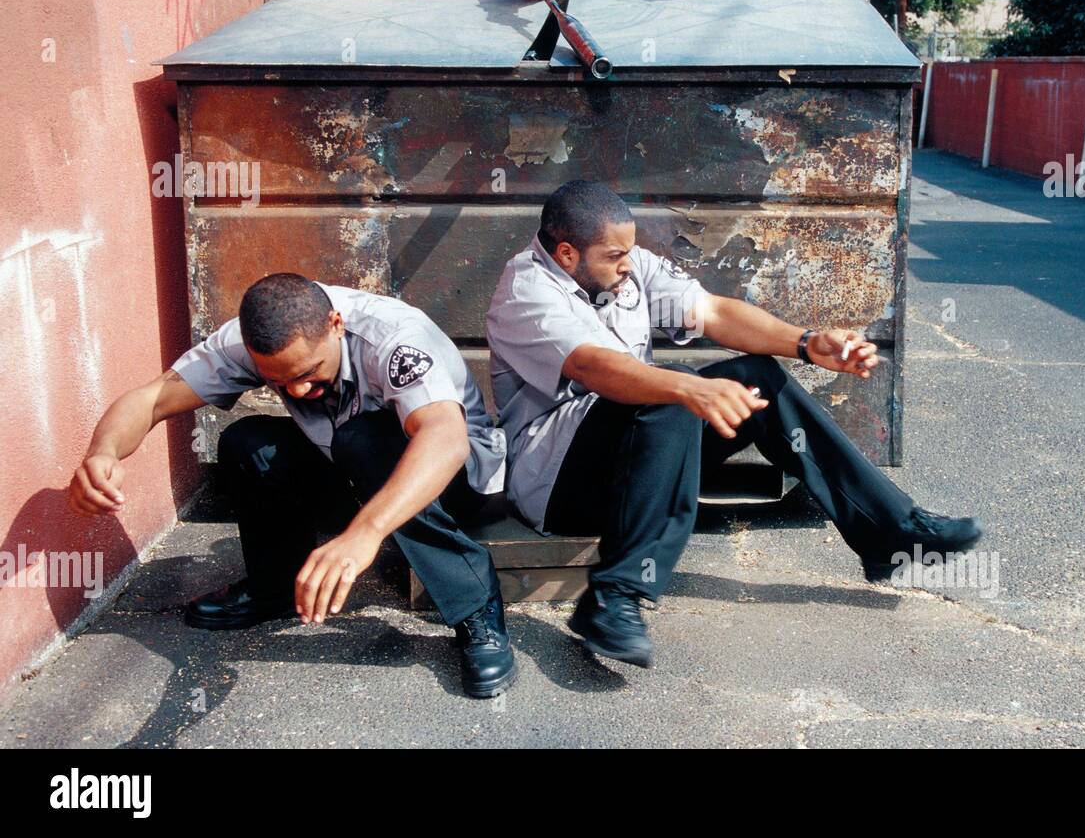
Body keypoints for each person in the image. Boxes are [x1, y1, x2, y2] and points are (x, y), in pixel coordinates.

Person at [487, 182, 984, 668]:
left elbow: (712, 312)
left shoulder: (623, 267)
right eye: (614, 255)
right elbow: (594, 366)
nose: (626, 265)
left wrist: (806, 342)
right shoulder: (528, 289)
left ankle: (890, 529)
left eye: (628, 252)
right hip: (560, 485)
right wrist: (686, 388)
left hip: (637, 457)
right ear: (568, 254)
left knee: (757, 376)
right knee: (671, 387)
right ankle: (614, 597)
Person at [67, 274, 517, 698]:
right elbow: (154, 397)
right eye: (279, 381)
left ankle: (476, 608)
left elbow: (444, 438)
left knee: (364, 437)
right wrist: (103, 453)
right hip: (355, 474)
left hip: (460, 482)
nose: (298, 391)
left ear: (335, 325)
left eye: (308, 372)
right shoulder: (248, 343)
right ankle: (277, 588)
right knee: (250, 442)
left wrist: (365, 533)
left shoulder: (393, 337)